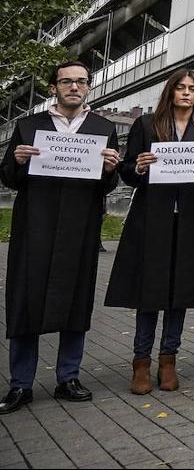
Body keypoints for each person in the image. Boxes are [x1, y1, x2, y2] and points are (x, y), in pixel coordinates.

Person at [0, 61, 121, 414]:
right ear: (53, 87)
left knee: (76, 299)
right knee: (25, 299)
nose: (74, 87)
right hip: (34, 226)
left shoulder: (102, 128)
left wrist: (111, 169)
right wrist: (17, 161)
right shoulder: (29, 126)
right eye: (66, 81)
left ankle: (68, 377)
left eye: (81, 82)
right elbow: (9, 177)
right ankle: (21, 384)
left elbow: (106, 184)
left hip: (78, 228)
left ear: (88, 87)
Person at [105, 68, 194, 394]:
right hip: (152, 218)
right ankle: (141, 362)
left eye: (193, 89)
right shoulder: (146, 125)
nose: (186, 93)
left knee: (180, 291)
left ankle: (168, 359)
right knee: (150, 291)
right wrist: (138, 167)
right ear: (170, 92)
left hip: (191, 219)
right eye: (181, 88)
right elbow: (127, 170)